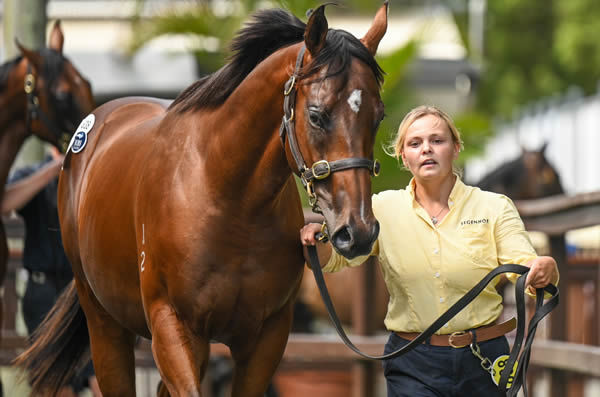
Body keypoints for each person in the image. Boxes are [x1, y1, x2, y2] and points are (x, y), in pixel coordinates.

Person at [300, 105, 559, 397]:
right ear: (403, 156)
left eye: (437, 140)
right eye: (415, 143)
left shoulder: (494, 206)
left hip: (483, 360)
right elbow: (335, 259)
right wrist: (316, 244)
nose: (426, 149)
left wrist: (542, 269)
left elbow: (525, 264)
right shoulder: (382, 208)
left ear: (455, 148)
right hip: (412, 362)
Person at [3, 147, 102, 397]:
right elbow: (6, 203)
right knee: (54, 382)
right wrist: (52, 169)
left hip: (79, 292)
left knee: (98, 375)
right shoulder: (32, 173)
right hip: (43, 292)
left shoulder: (86, 174)